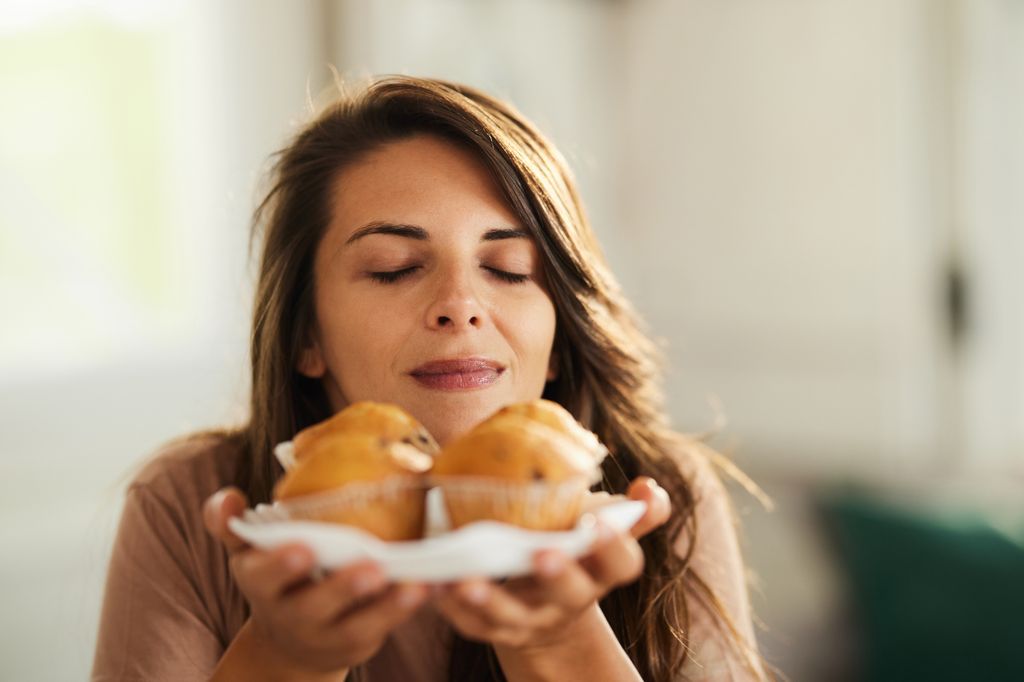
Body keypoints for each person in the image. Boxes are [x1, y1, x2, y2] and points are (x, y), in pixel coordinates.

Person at [92, 75, 767, 681]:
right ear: (305, 336)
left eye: (508, 269)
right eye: (393, 267)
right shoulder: (188, 506)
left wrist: (559, 644)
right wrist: (286, 659)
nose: (461, 304)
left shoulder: (662, 498)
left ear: (560, 336)